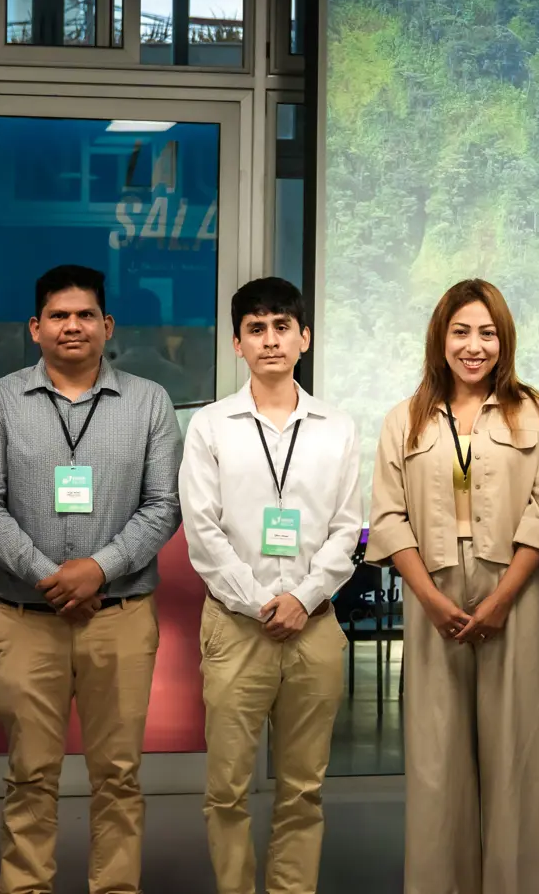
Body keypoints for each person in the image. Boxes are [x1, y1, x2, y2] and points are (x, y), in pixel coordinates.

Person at [0, 264, 183, 894]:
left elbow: (163, 505)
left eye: (86, 315)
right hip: (27, 618)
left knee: (118, 774)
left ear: (107, 326)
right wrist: (49, 576)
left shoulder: (148, 402)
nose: (73, 326)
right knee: (30, 774)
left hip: (120, 617)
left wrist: (99, 568)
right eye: (58, 316)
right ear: (35, 328)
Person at [367, 278, 539, 894]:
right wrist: (428, 599)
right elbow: (386, 515)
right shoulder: (404, 418)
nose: (473, 345)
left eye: (487, 332)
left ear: (503, 340)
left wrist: (504, 598)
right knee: (436, 763)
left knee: (520, 756)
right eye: (461, 332)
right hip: (432, 593)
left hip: (516, 591)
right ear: (441, 337)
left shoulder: (534, 411)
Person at [180, 277, 361, 894]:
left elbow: (347, 530)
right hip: (237, 628)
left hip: (313, 628)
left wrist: (303, 598)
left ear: (304, 337)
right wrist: (261, 602)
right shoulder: (210, 427)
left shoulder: (337, 427)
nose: (271, 339)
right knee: (227, 789)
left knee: (304, 788)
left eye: (283, 326)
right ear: (238, 343)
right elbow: (202, 533)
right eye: (256, 328)